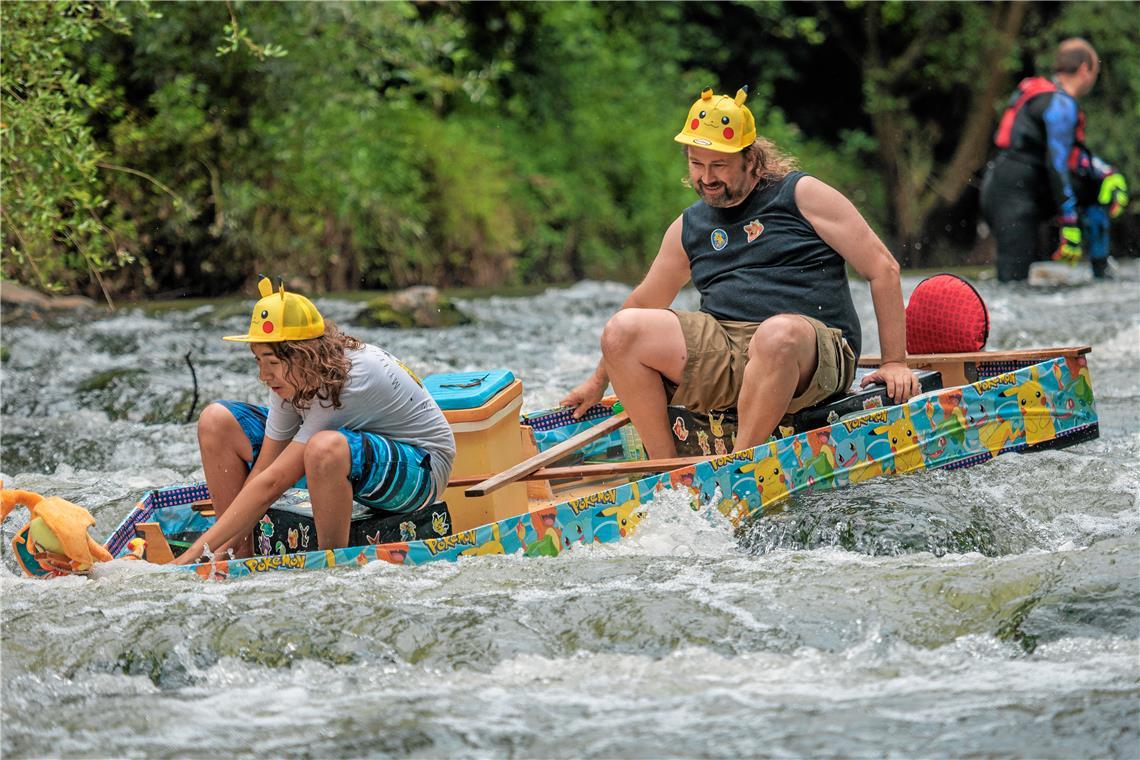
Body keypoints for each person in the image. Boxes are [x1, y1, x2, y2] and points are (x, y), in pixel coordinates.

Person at [561, 86, 919, 460]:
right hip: (729, 347)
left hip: (812, 350)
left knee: (776, 335)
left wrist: (895, 361)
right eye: (697, 164)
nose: (706, 178)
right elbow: (642, 302)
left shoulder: (802, 195)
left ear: (751, 159)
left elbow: (882, 268)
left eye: (718, 165)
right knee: (622, 330)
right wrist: (597, 380)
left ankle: (741, 466)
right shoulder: (689, 226)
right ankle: (666, 469)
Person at [173, 277, 455, 564]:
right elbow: (264, 470)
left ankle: (330, 564)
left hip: (423, 470)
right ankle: (236, 556)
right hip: (351, 458)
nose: (263, 375)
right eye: (259, 361)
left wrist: (187, 559)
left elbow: (273, 483)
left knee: (323, 448)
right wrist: (217, 550)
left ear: (303, 354)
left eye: (271, 362)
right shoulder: (291, 379)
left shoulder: (349, 382)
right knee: (216, 421)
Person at [980, 38, 1122, 281]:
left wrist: (1106, 172)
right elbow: (1057, 164)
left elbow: (1072, 158)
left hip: (1004, 187)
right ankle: (1102, 274)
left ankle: (1103, 272)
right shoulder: (1061, 104)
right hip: (1013, 197)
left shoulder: (1040, 91)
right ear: (1085, 69)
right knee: (1014, 283)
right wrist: (1069, 223)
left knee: (1096, 187)